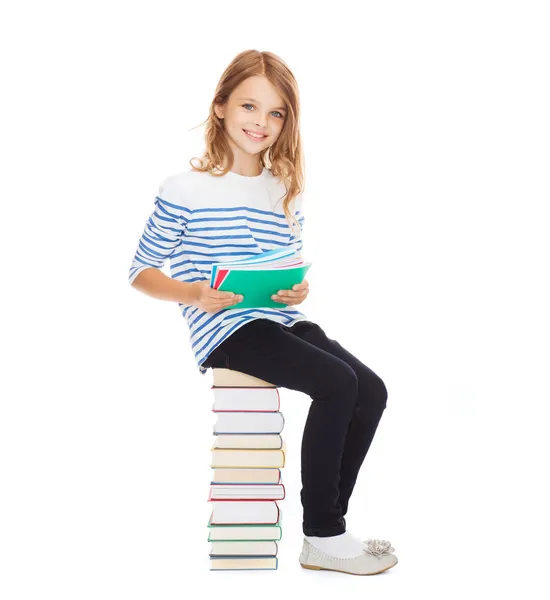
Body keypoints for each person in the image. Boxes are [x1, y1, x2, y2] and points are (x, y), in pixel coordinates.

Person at [128, 49, 397, 575]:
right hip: (226, 328)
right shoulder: (185, 189)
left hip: (278, 320)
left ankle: (329, 528)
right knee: (337, 383)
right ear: (222, 107)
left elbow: (284, 267)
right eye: (250, 107)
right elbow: (140, 272)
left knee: (371, 389)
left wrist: (295, 290)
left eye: (276, 113)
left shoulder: (282, 189)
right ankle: (325, 533)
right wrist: (193, 294)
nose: (262, 123)